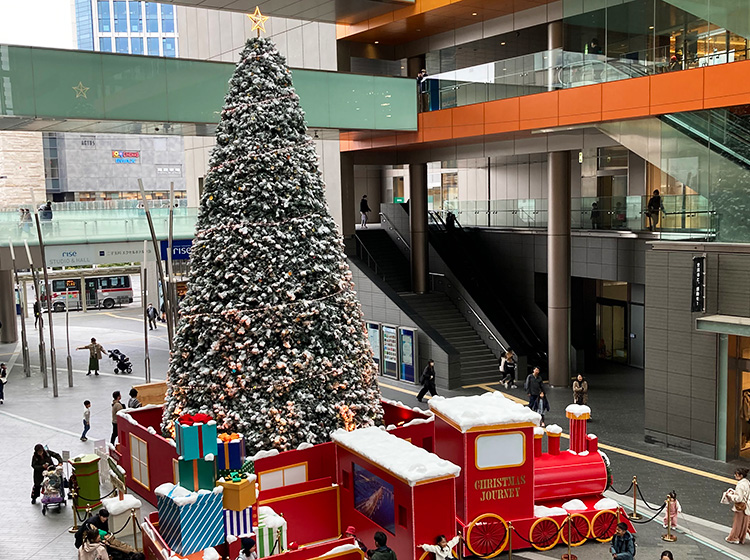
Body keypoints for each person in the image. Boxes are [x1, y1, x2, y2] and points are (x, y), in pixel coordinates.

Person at [725, 467, 750, 544]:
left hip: (741, 507)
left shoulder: (740, 485)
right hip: (747, 506)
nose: (735, 476)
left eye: (736, 474)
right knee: (744, 524)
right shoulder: (747, 483)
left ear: (740, 475)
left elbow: (738, 499)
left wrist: (730, 495)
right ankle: (741, 538)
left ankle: (734, 537)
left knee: (737, 523)